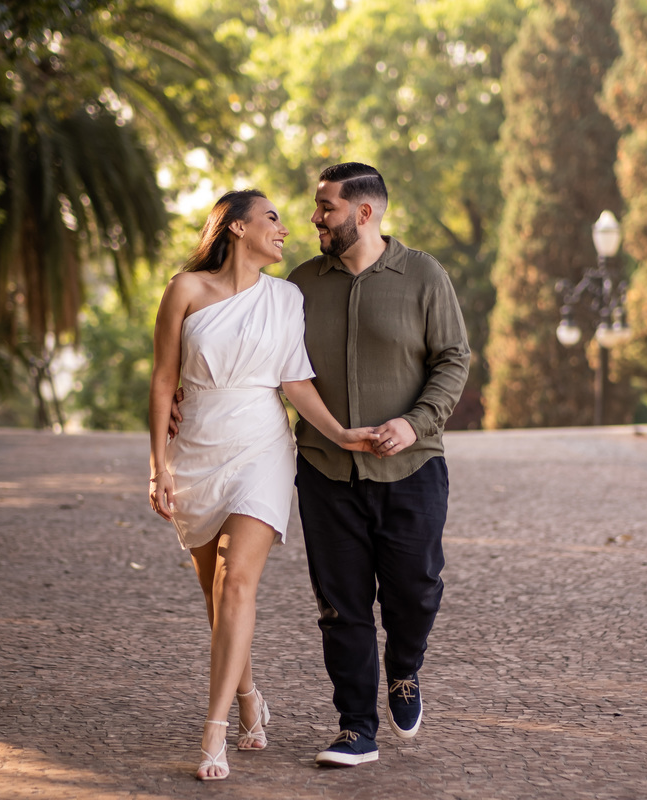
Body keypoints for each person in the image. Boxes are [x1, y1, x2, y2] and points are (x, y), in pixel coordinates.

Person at [147, 189, 378, 781]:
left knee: (239, 582)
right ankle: (249, 696)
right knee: (214, 590)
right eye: (271, 219)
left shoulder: (287, 297)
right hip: (197, 444)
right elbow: (162, 379)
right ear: (235, 228)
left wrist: (342, 432)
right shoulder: (186, 290)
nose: (284, 228)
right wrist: (158, 465)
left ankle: (214, 731)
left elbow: (295, 381)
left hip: (263, 445)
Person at [288, 163, 470, 766]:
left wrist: (413, 424)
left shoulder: (423, 275)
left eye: (326, 207)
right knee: (340, 604)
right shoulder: (301, 284)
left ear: (363, 214)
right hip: (325, 469)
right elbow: (274, 365)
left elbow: (453, 360)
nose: (314, 217)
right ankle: (355, 725)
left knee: (415, 591)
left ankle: (405, 669)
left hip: (413, 469)